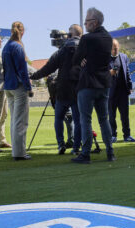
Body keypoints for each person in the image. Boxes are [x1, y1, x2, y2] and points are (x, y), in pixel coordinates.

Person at [30, 25, 82, 155]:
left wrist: (33, 76)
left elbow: (48, 69)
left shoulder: (62, 50)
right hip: (78, 89)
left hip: (62, 89)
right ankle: (76, 147)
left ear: (69, 35)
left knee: (58, 118)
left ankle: (60, 145)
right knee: (78, 119)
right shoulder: (84, 49)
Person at [72, 7, 115, 163]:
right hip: (104, 83)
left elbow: (76, 59)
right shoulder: (109, 38)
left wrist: (83, 59)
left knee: (86, 120)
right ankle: (110, 152)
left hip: (88, 83)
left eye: (87, 21)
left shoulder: (87, 39)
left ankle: (85, 154)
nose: (85, 24)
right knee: (104, 119)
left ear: (94, 22)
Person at [2, 21, 34, 161]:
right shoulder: (18, 47)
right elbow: (22, 70)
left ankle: (16, 151)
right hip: (18, 87)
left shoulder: (6, 47)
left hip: (8, 86)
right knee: (21, 121)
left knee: (14, 120)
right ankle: (20, 153)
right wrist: (29, 87)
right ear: (22, 32)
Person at [108, 39, 135, 142]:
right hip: (110, 92)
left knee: (125, 115)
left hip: (123, 91)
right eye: (113, 48)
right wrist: (109, 73)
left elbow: (127, 72)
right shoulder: (105, 58)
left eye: (116, 48)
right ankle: (113, 135)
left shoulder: (124, 57)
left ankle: (127, 135)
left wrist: (129, 87)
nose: (115, 50)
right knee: (111, 116)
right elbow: (102, 74)